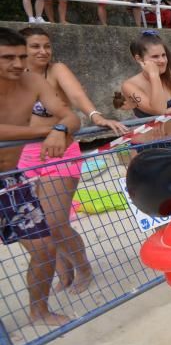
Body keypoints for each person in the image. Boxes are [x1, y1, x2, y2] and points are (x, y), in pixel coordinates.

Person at [17, 27, 128, 296]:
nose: (43, 51)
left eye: (46, 46)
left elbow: (77, 98)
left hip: (61, 152)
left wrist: (97, 116)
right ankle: (63, 270)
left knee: (55, 221)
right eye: (35, 47)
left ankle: (83, 267)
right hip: (25, 157)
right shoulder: (12, 78)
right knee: (39, 225)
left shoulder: (56, 70)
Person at [0, 28, 81, 325]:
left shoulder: (33, 80)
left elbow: (70, 116)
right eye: (8, 58)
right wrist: (46, 130)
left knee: (45, 248)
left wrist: (61, 129)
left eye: (21, 56)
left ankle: (39, 310)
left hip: (12, 180)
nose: (18, 63)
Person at [119, 31, 171, 148]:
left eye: (163, 55)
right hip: (147, 146)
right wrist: (154, 76)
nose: (162, 61)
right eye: (155, 57)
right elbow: (158, 110)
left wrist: (167, 113)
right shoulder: (129, 85)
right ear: (139, 59)